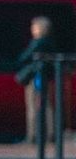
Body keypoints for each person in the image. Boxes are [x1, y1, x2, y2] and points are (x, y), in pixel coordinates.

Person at [16, 16, 58, 144]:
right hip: (44, 78)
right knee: (47, 106)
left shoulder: (38, 42)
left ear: (40, 28)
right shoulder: (49, 42)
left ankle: (32, 136)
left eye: (34, 26)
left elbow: (24, 57)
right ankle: (50, 134)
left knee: (33, 107)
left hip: (36, 78)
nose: (31, 29)